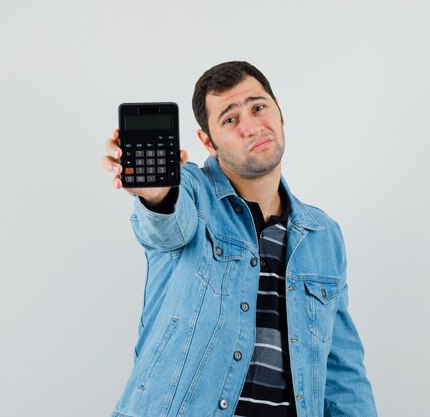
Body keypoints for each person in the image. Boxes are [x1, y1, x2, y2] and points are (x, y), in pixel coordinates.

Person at [102, 61, 378, 417]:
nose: (251, 127)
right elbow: (167, 227)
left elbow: (344, 373)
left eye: (259, 107)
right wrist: (156, 194)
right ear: (208, 141)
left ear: (279, 112)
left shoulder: (323, 235)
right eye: (230, 120)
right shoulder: (192, 192)